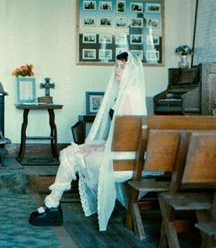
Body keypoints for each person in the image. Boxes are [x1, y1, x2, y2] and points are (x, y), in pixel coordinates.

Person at [29, 51, 147, 231]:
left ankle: (52, 205)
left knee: (71, 154)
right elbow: (122, 135)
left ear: (132, 70)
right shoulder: (132, 93)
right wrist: (98, 147)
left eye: (123, 66)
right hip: (127, 153)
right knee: (75, 150)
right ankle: (52, 203)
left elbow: (124, 135)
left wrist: (99, 150)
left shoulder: (127, 95)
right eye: (116, 65)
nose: (117, 69)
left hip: (121, 158)